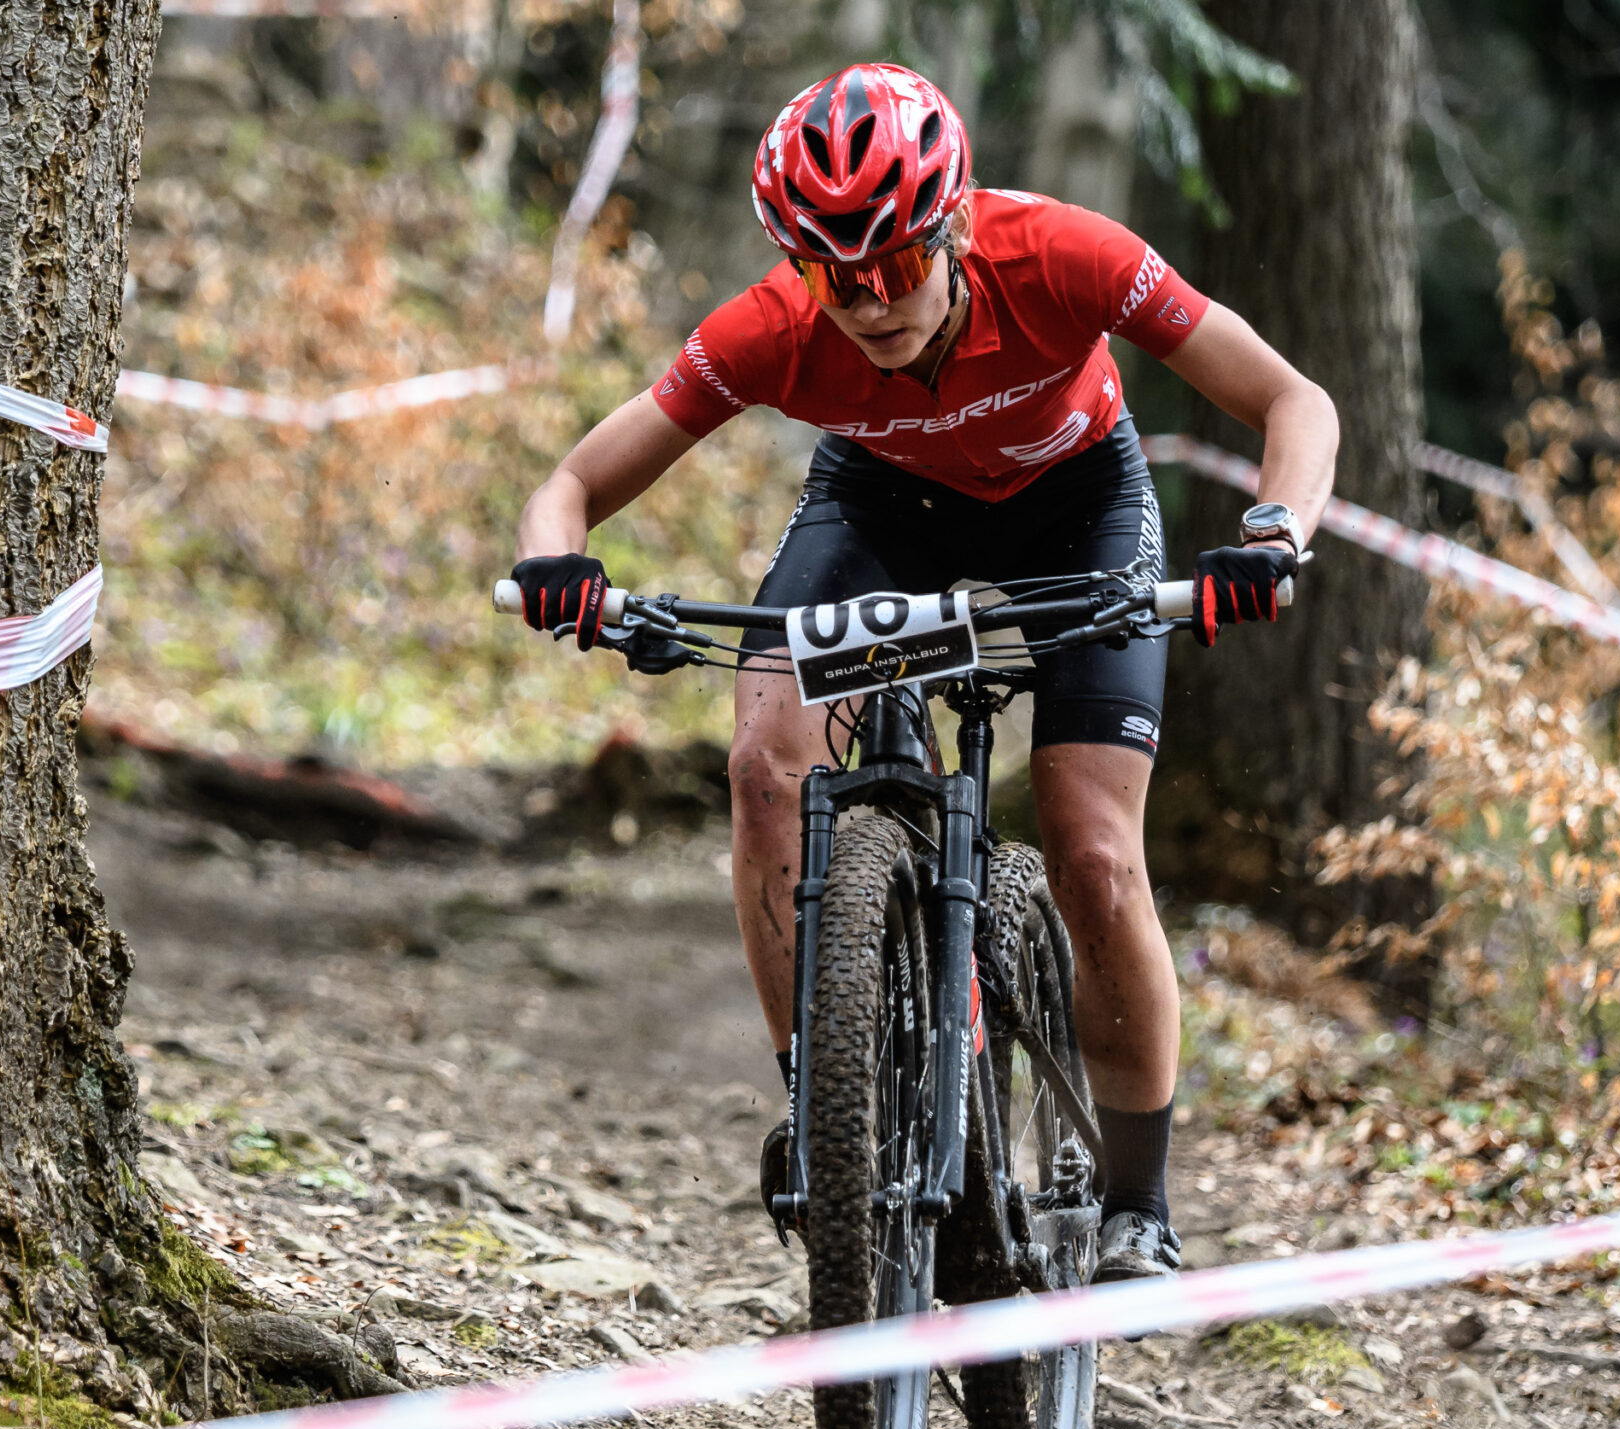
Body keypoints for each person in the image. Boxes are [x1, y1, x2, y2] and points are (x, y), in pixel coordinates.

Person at [508, 63, 1336, 1281]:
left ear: (949, 227)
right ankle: (827, 1115)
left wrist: (1272, 535)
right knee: (763, 768)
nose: (869, 301)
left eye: (895, 263)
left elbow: (1292, 401)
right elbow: (571, 485)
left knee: (1093, 854)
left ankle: (1138, 1203)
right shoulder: (770, 330)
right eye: (833, 276)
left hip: (1077, 509)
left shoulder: (1063, 256)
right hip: (881, 508)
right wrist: (556, 567)